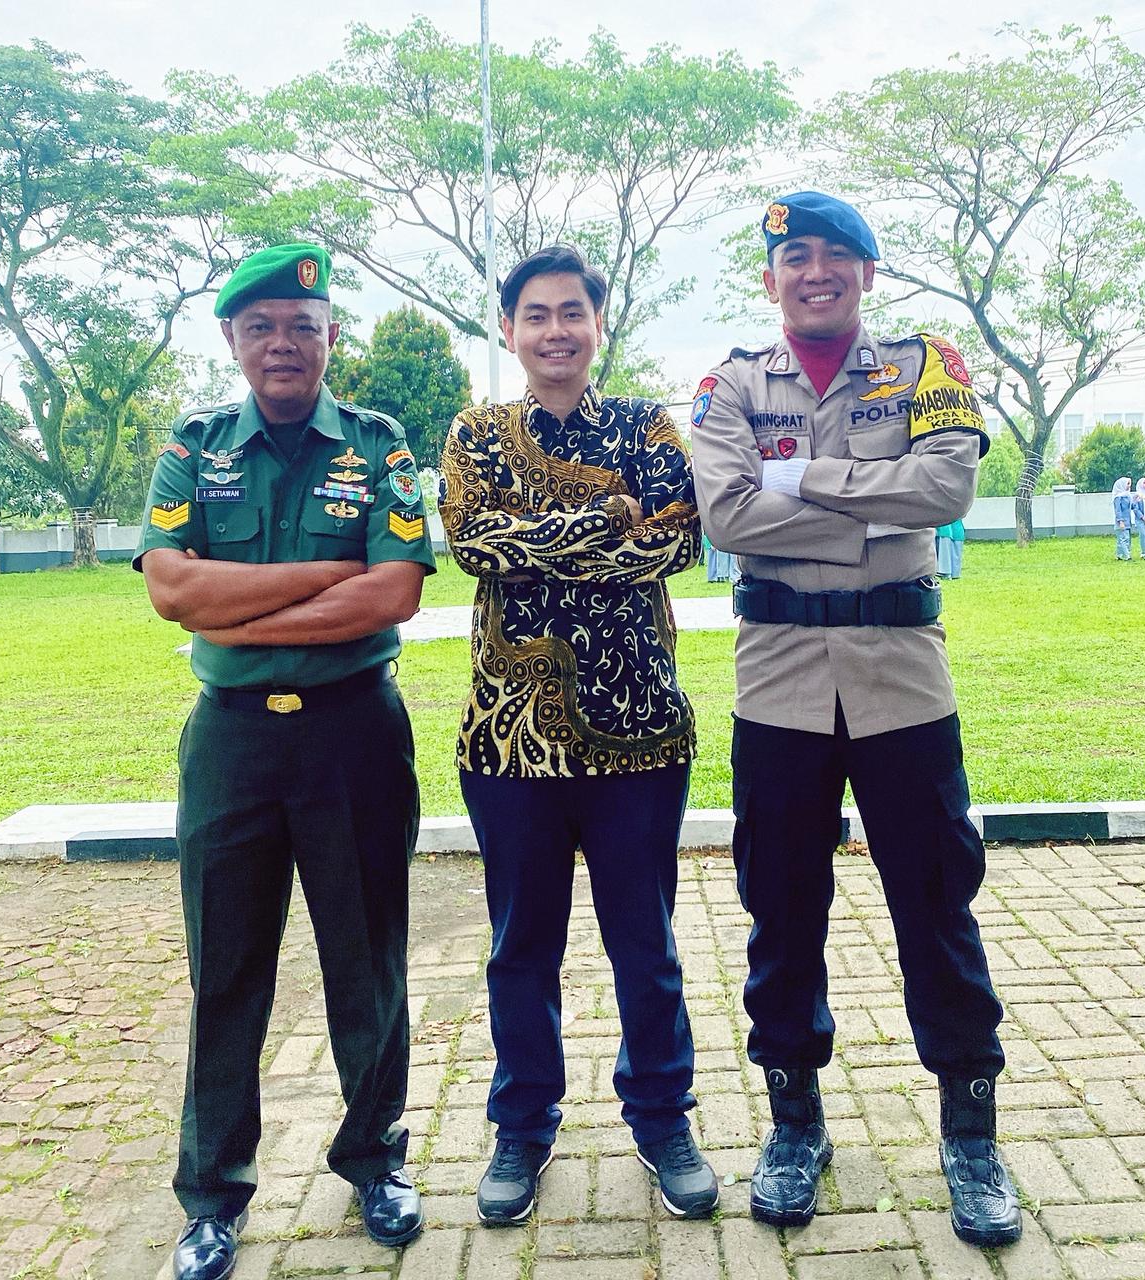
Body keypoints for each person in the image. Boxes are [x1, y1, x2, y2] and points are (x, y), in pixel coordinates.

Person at [690, 191, 1020, 1249]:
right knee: (781, 906)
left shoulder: (927, 366)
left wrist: (800, 481)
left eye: (837, 254)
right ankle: (795, 1125)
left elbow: (947, 488)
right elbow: (727, 513)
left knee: (936, 898)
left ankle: (970, 1131)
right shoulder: (730, 383)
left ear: (868, 273)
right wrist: (870, 511)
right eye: (795, 255)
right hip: (777, 681)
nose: (815, 271)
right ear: (770, 276)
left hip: (902, 679)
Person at [135, 244, 435, 1280]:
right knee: (225, 968)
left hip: (354, 733)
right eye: (261, 326)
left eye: (302, 327)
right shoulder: (193, 446)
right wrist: (324, 576)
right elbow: (172, 590)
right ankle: (212, 1195)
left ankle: (375, 1159)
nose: (282, 344)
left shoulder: (379, 444)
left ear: (330, 338)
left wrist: (239, 604)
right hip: (231, 742)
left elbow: (395, 590)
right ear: (232, 339)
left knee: (367, 961)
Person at [438, 244, 718, 1227]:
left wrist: (543, 535)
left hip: (639, 732)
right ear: (508, 330)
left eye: (572, 312)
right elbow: (473, 543)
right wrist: (603, 519)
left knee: (646, 942)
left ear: (598, 323)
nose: (555, 330)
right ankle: (522, 1123)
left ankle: (662, 1115)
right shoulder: (476, 433)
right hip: (509, 741)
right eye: (535, 314)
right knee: (521, 946)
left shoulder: (647, 425)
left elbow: (676, 539)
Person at [1112, 477, 1132, 561]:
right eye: (1127, 484)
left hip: (1128, 520)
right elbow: (1118, 510)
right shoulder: (1118, 498)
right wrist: (1120, 521)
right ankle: (1127, 556)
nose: (1129, 486)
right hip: (1121, 521)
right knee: (1124, 538)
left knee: (1124, 538)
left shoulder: (1127, 496)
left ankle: (1119, 555)